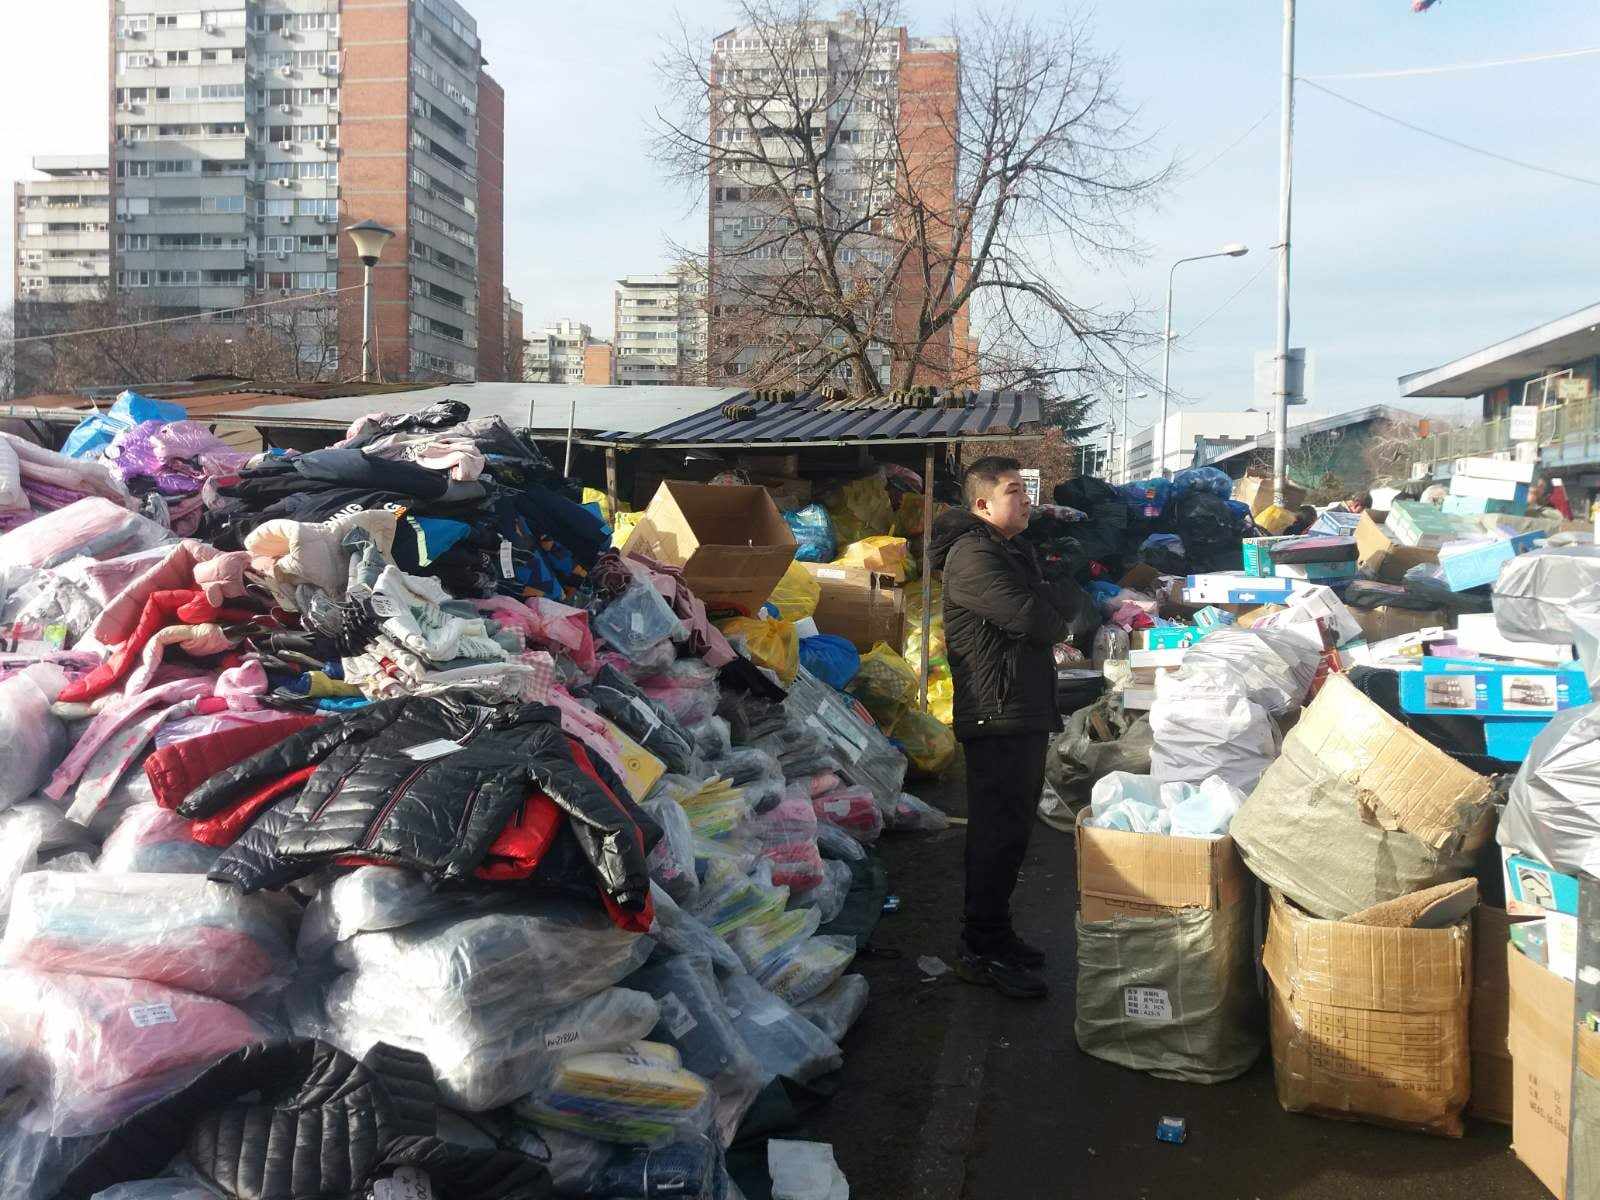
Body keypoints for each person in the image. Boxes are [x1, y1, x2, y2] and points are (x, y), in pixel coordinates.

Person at [929, 457, 1094, 999]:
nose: (1026, 500)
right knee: (996, 835)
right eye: (1014, 491)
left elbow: (1044, 612)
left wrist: (1055, 589)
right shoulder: (974, 556)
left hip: (1016, 707)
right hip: (995, 712)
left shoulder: (1004, 548)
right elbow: (1041, 622)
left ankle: (996, 936)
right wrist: (1060, 596)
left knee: (1011, 832)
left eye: (1026, 489)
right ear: (982, 505)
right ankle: (980, 948)